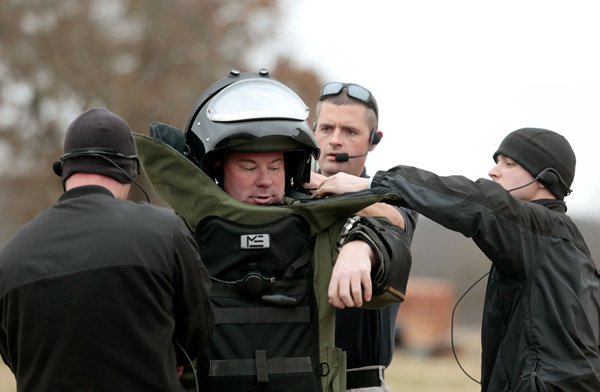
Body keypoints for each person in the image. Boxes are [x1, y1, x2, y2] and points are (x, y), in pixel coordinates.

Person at [136, 69, 413, 392]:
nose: (265, 180)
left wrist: (360, 245)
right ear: (216, 167)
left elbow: (395, 224)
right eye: (248, 166)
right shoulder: (182, 233)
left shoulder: (330, 221)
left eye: (275, 166)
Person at [314, 127, 600, 391]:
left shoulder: (544, 231)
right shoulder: (551, 241)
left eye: (509, 164)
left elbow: (479, 202)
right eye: (497, 161)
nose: (493, 171)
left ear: (545, 178)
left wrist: (373, 184)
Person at [0, 107, 214, 392]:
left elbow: (16, 356)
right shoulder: (166, 232)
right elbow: (198, 330)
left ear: (64, 171)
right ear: (131, 171)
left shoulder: (9, 258)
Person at [312, 82, 418, 391]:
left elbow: (398, 222)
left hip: (360, 382)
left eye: (349, 132)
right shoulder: (285, 194)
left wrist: (350, 195)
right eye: (326, 128)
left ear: (374, 141)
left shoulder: (394, 197)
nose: (334, 141)